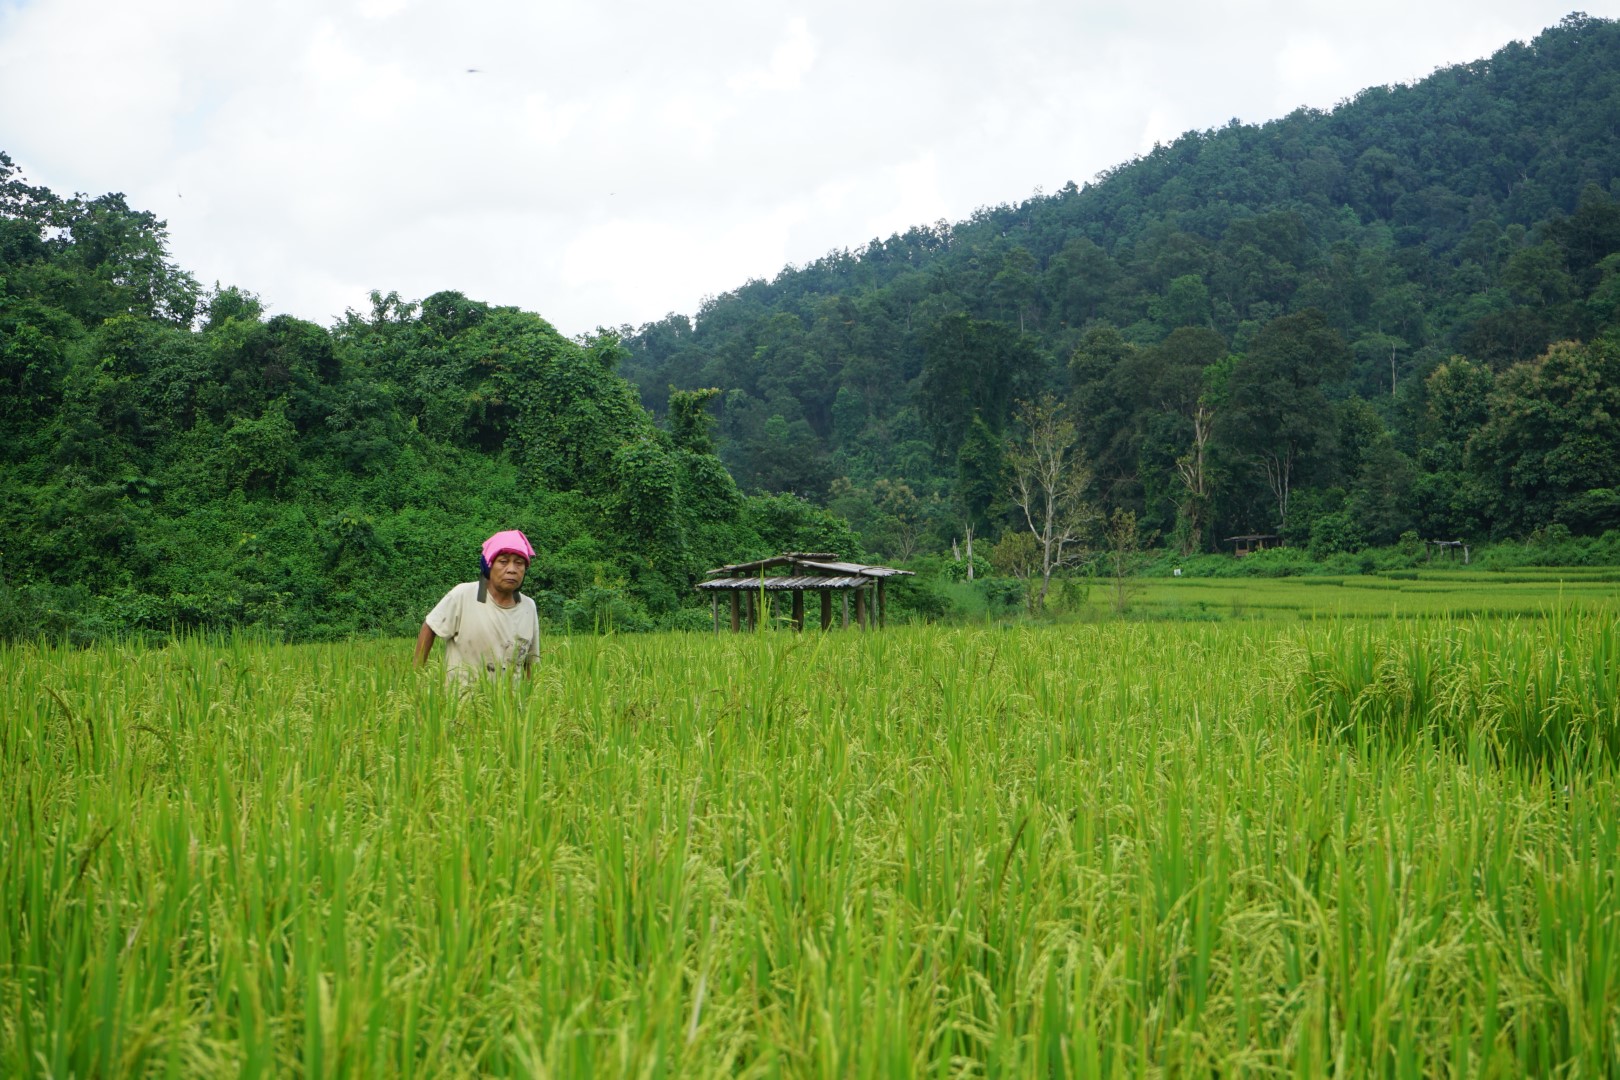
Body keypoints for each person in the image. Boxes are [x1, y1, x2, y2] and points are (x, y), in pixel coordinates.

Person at [415, 529, 541, 682]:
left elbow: (529, 662)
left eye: (519, 563)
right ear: (488, 566)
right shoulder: (463, 595)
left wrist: (529, 698)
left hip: (509, 703)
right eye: (503, 561)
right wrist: (417, 677)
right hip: (462, 701)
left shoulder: (528, 607)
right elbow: (430, 626)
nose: (512, 569)